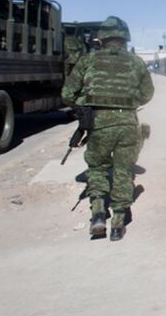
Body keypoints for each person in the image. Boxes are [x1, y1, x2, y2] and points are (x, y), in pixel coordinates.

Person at [62, 16, 154, 241]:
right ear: (125, 38)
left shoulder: (88, 60)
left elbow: (67, 94)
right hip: (127, 124)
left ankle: (98, 216)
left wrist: (83, 107)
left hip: (99, 123)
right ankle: (119, 224)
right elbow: (147, 93)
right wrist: (128, 102)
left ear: (101, 38)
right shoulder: (136, 62)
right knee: (123, 170)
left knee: (97, 168)